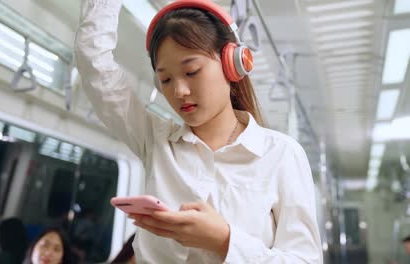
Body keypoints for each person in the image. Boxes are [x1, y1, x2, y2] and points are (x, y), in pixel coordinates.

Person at [75, 0, 323, 262]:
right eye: (166, 79)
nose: (179, 91)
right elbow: (94, 66)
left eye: (191, 71)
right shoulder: (156, 141)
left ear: (232, 64)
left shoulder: (280, 154)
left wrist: (224, 240)